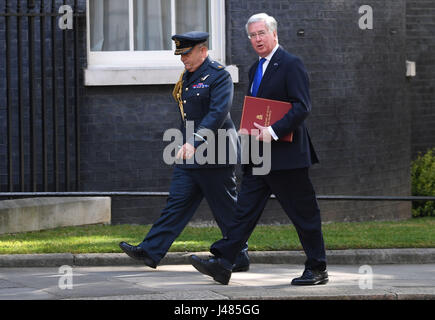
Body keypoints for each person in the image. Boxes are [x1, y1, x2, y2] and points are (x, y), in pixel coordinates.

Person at [190, 13, 328, 285]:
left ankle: (318, 268)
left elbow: (302, 107)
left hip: (287, 158)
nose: (257, 39)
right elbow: (259, 110)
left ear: (274, 34)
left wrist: (273, 131)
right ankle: (223, 262)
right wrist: (249, 130)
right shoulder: (255, 69)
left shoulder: (291, 64)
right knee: (244, 212)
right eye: (252, 35)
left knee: (303, 214)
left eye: (261, 33)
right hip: (259, 155)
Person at [119, 31, 249, 272]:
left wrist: (195, 141)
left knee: (226, 210)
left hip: (216, 153)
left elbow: (217, 113)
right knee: (176, 203)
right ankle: (150, 250)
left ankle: (238, 255)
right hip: (191, 153)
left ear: (203, 50)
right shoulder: (188, 77)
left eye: (187, 54)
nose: (183, 59)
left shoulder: (219, 76)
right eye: (181, 55)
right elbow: (187, 114)